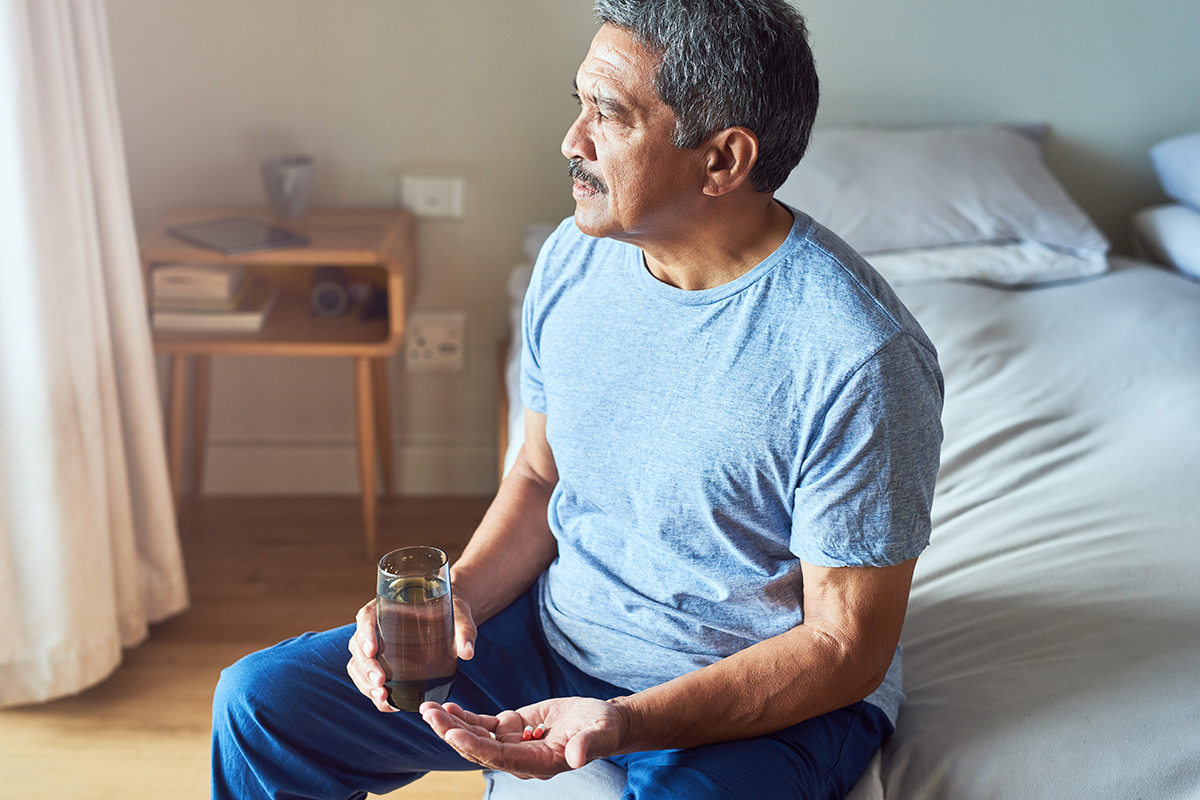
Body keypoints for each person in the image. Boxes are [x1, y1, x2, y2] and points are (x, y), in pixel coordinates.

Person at [210, 1, 944, 798]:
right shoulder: (573, 259)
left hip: (760, 696)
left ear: (722, 161)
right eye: (579, 104)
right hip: (561, 636)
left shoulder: (858, 357)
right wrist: (453, 605)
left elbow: (845, 648)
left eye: (611, 115)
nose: (572, 140)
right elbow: (537, 475)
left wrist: (623, 722)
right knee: (262, 706)